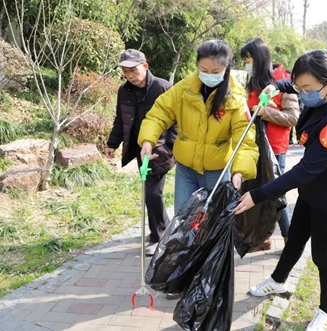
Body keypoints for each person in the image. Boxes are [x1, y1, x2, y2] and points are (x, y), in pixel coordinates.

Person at [234, 50, 327, 331]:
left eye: (308, 89)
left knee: (323, 257)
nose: (303, 94)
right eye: (299, 87)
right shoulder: (320, 92)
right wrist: (275, 85)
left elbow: (305, 169)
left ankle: (326, 311)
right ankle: (278, 281)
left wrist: (257, 195)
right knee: (294, 240)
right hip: (310, 193)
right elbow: (291, 84)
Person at [138, 39, 259, 215]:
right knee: (183, 220)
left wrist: (239, 171)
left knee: (212, 223)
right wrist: (148, 141)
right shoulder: (184, 90)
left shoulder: (236, 100)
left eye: (215, 71)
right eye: (204, 70)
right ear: (197, 66)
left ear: (226, 68)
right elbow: (159, 113)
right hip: (186, 170)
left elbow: (245, 140)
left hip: (217, 172)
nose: (209, 75)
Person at [105, 49, 177, 256]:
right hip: (138, 148)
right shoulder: (124, 90)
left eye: (133, 70)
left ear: (145, 67)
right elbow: (120, 118)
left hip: (159, 148)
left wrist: (170, 146)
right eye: (125, 71)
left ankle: (159, 235)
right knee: (149, 190)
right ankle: (159, 230)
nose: (129, 75)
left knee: (152, 192)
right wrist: (113, 143)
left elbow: (177, 121)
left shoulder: (162, 87)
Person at [240, 38, 300, 250]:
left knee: (275, 195)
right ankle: (262, 238)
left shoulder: (284, 82)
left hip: (274, 149)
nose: (247, 63)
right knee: (256, 193)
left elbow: (293, 117)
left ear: (259, 57)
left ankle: (289, 239)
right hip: (253, 148)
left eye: (248, 59)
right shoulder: (253, 82)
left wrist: (265, 112)